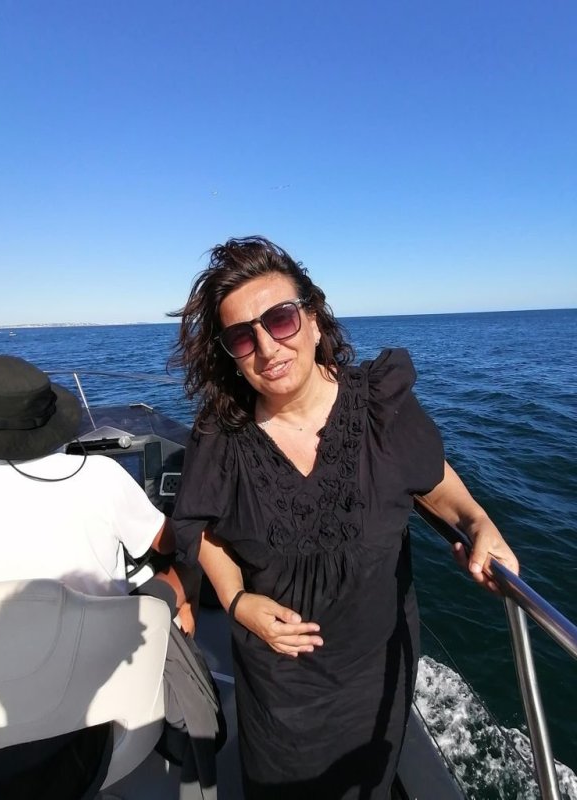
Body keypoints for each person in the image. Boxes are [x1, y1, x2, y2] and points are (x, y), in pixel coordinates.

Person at [168, 236, 520, 800]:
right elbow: (203, 528)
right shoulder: (222, 435)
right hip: (278, 686)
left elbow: (433, 479)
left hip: (375, 672)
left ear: (312, 319)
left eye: (280, 319)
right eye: (242, 336)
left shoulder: (380, 406)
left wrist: (478, 521)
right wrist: (236, 601)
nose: (267, 347)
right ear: (230, 354)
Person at [0, 354, 197, 629]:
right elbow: (167, 542)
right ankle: (180, 643)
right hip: (101, 636)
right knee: (190, 571)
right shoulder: (101, 474)